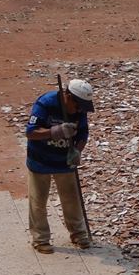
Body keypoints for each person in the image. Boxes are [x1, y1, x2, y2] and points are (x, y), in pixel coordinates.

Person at [25, 79, 95, 254]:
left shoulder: (80, 109)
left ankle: (78, 234)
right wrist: (55, 132)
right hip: (40, 159)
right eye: (77, 106)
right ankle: (40, 239)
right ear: (68, 97)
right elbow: (31, 132)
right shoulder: (45, 103)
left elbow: (83, 133)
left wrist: (77, 152)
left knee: (71, 199)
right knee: (38, 201)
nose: (79, 110)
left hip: (65, 160)